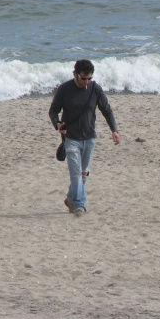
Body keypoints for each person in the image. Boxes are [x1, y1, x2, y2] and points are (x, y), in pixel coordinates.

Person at [49, 59, 121, 217]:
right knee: (76, 174)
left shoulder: (95, 89)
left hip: (89, 138)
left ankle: (70, 198)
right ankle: (79, 205)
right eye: (83, 78)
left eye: (89, 78)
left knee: (84, 174)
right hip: (71, 138)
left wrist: (114, 130)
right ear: (75, 74)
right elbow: (53, 111)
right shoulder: (64, 89)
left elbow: (107, 110)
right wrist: (57, 124)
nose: (86, 82)